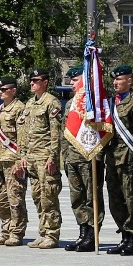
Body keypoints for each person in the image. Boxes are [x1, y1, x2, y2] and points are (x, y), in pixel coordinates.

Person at [59, 64, 102, 252]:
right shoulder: (70, 104)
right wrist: (65, 157)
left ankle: (92, 234)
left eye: (75, 80)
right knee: (77, 197)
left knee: (92, 196)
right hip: (73, 157)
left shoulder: (94, 102)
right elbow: (65, 132)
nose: (71, 84)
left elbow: (100, 131)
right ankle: (83, 231)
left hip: (88, 156)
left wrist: (97, 155)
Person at [19, 69, 64, 249]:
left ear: (45, 82)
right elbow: (23, 133)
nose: (32, 83)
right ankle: (43, 231)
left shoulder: (51, 102)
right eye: (31, 80)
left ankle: (52, 234)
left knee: (49, 196)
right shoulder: (30, 103)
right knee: (37, 196)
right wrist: (23, 155)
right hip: (31, 157)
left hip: (45, 157)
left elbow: (56, 133)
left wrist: (53, 157)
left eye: (36, 80)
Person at [102, 66, 133, 255]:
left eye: (120, 79)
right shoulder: (110, 104)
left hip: (128, 158)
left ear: (130, 80)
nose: (115, 83)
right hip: (112, 158)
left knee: (131, 199)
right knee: (115, 200)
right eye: (114, 80)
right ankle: (124, 235)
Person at [0, 76, 27, 246]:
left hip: (13, 160)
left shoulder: (19, 108)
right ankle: (5, 229)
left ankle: (16, 232)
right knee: (1, 199)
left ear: (13, 91)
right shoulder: (0, 109)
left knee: (15, 198)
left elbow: (23, 136)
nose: (0, 92)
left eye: (3, 90)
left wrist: (21, 160)